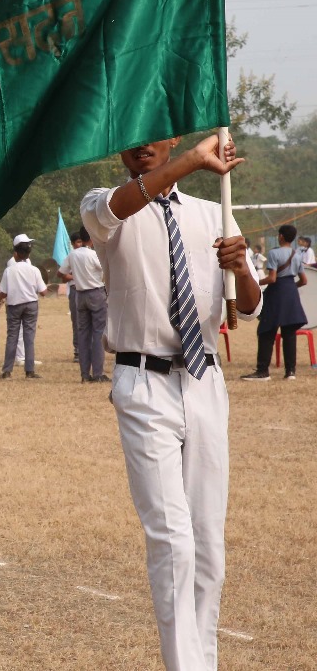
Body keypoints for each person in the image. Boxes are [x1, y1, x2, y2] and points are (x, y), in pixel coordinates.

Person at [80, 133, 260, 670]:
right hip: (143, 384)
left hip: (204, 381)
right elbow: (121, 204)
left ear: (173, 136)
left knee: (208, 546)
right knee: (173, 541)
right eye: (129, 139)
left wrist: (242, 265)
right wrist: (188, 164)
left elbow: (247, 310)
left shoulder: (213, 213)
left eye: (153, 137)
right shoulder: (105, 206)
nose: (141, 146)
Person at [242, 224, 307, 382]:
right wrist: (290, 288)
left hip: (276, 294)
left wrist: (256, 282)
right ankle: (290, 371)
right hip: (291, 294)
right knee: (289, 334)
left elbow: (272, 278)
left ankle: (263, 371)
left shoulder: (274, 253)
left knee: (266, 331)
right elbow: (303, 280)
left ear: (281, 237)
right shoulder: (297, 254)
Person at [64, 229, 107, 382]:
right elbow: (105, 270)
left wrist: (77, 276)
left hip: (79, 294)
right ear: (92, 238)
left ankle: (84, 374)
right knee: (98, 333)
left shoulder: (72, 254)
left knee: (83, 334)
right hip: (95, 293)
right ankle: (97, 373)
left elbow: (62, 273)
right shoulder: (93, 254)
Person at [0, 242, 46, 378]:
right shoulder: (34, 270)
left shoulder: (9, 270)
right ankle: (29, 371)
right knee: (29, 338)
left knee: (12, 336)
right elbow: (43, 291)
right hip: (31, 305)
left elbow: (2, 293)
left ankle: (7, 370)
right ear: (28, 254)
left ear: (16, 254)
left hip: (14, 306)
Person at [57, 231, 84, 362]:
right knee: (77, 321)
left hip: (90, 290)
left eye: (81, 241)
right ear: (73, 244)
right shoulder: (71, 256)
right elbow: (62, 275)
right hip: (75, 290)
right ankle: (78, 351)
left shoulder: (91, 254)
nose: (80, 244)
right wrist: (76, 276)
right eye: (78, 242)